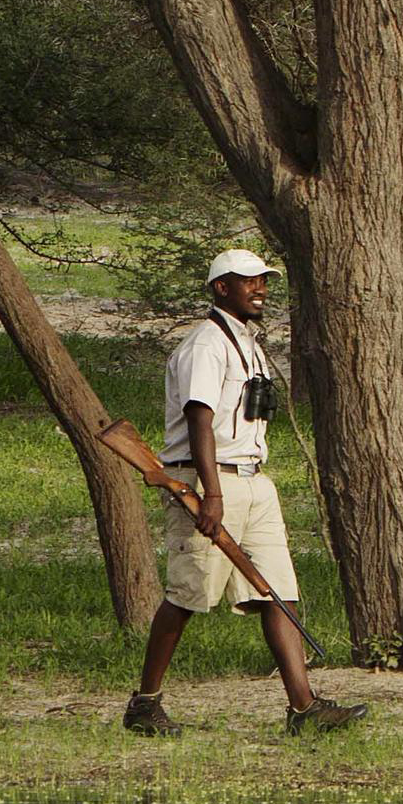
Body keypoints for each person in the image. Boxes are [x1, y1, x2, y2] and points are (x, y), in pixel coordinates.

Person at [123, 249, 364, 737]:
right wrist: (211, 495)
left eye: (263, 282)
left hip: (255, 480)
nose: (260, 289)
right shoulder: (206, 345)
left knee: (278, 591)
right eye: (248, 281)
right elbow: (199, 418)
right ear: (220, 287)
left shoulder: (248, 343)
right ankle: (144, 704)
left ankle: (303, 708)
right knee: (187, 594)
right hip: (208, 482)